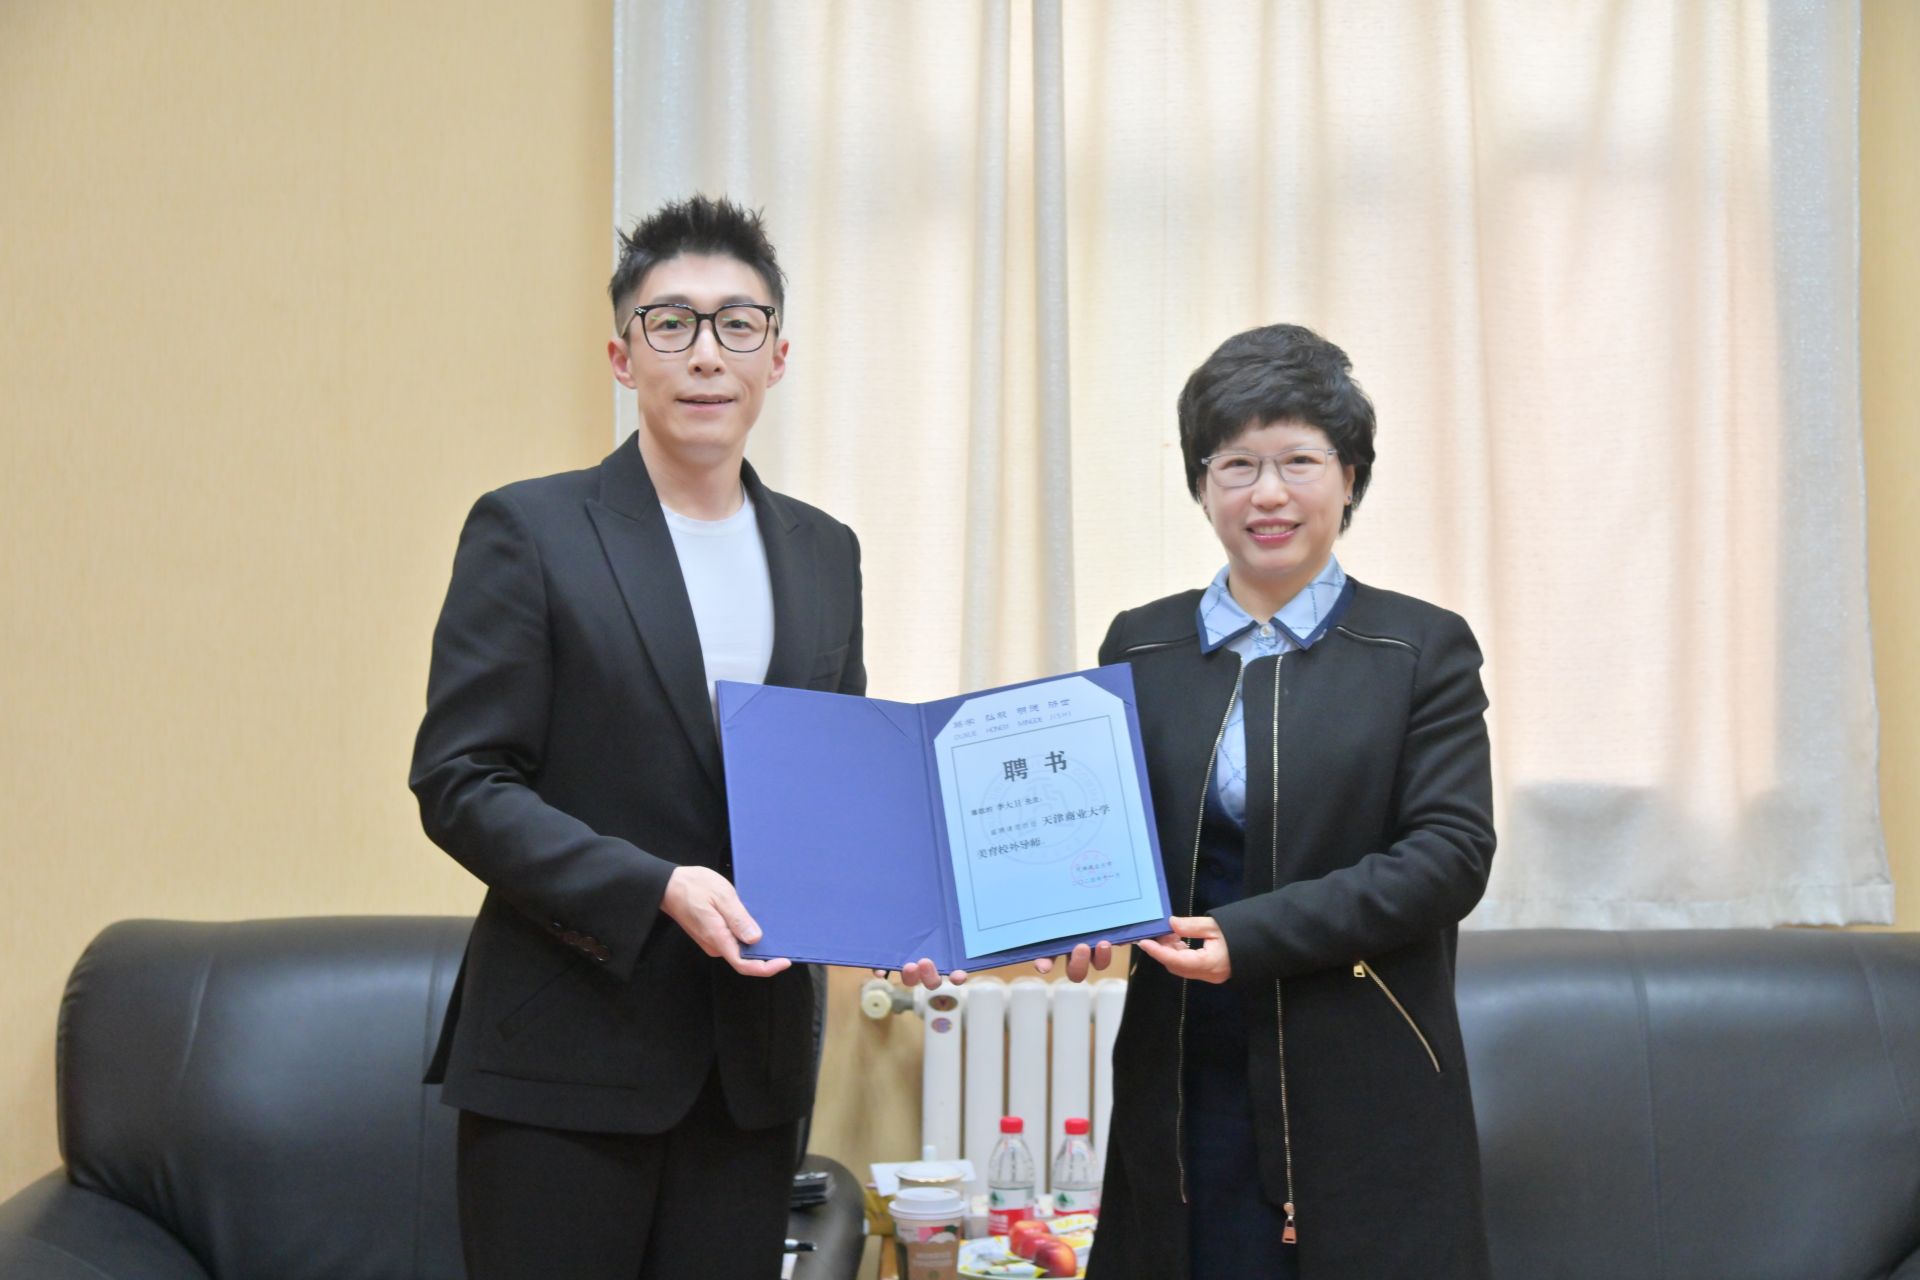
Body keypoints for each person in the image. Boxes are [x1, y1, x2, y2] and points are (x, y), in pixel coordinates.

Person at [409, 195, 865, 1280]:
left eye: (738, 323)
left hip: (751, 1073)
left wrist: (911, 913)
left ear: (777, 356)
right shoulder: (532, 529)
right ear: (623, 356)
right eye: (672, 323)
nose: (706, 353)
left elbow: (836, 783)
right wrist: (653, 885)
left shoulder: (825, 552)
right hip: (566, 1056)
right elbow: (461, 780)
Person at [1065, 324, 1497, 1278]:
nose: (1267, 493)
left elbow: (1450, 856)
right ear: (1202, 484)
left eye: (1299, 461)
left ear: (1349, 477)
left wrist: (1249, 937)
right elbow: (1102, 835)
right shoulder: (1140, 645)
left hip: (1361, 1066)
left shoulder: (1419, 647)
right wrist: (1072, 913)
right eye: (1236, 464)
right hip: (1184, 1063)